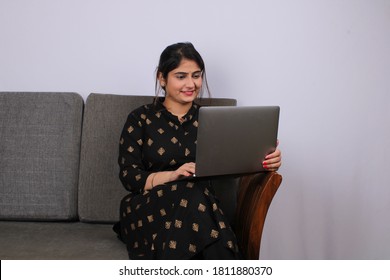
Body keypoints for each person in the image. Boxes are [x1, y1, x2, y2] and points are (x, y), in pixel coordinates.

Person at [117, 42, 282, 260]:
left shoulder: (215, 121)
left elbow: (236, 164)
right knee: (191, 191)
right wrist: (173, 175)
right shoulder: (140, 118)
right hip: (149, 209)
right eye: (181, 76)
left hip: (199, 209)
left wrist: (266, 160)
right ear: (162, 78)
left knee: (194, 195)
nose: (191, 83)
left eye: (196, 75)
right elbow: (129, 177)